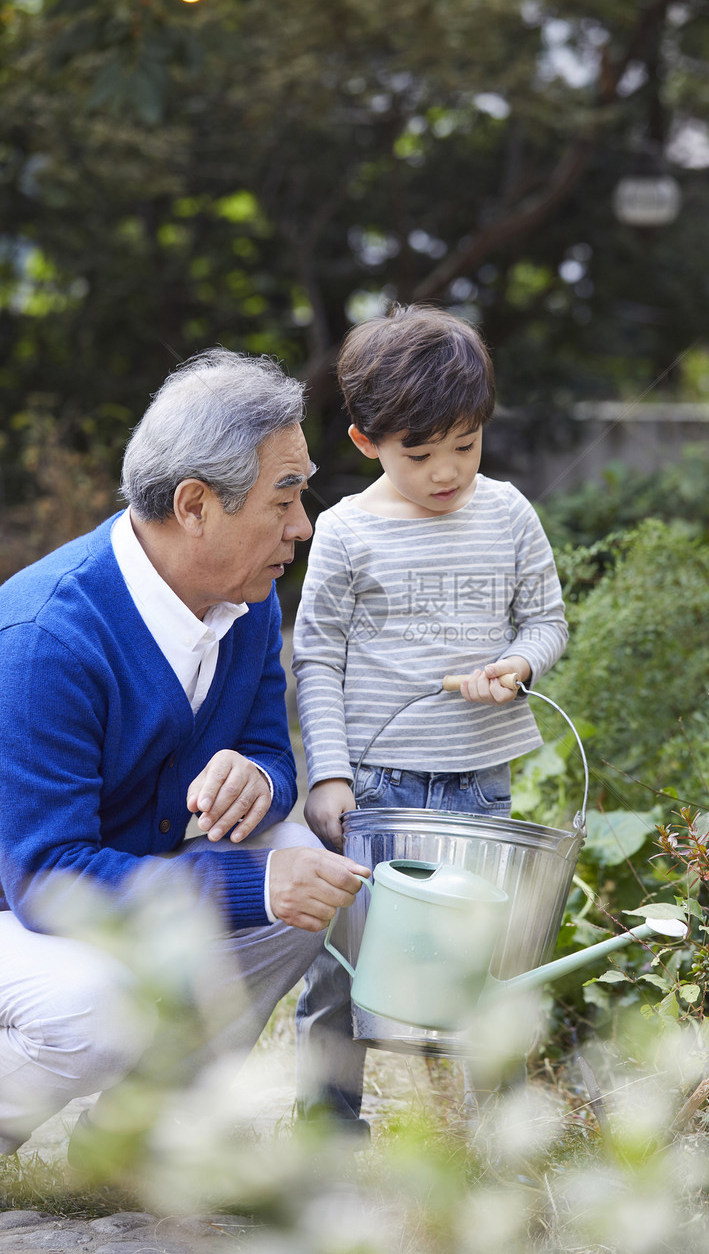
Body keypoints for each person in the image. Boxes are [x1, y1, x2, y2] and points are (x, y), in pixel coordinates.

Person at [0, 347, 370, 1158]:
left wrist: (260, 782)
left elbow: (274, 757)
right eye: (285, 497)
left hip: (131, 877)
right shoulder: (44, 638)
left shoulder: (247, 598)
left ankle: (129, 1138)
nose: (302, 525)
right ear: (196, 504)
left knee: (307, 870)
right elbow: (46, 881)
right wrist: (251, 882)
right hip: (19, 907)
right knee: (98, 1008)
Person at [290, 302, 568, 1118]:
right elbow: (317, 659)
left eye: (466, 446)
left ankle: (500, 1128)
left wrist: (518, 664)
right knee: (347, 958)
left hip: (480, 782)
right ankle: (328, 1122)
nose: (448, 472)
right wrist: (331, 774)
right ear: (366, 443)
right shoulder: (344, 534)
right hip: (377, 781)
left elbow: (546, 621)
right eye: (421, 454)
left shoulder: (508, 512)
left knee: (488, 960)